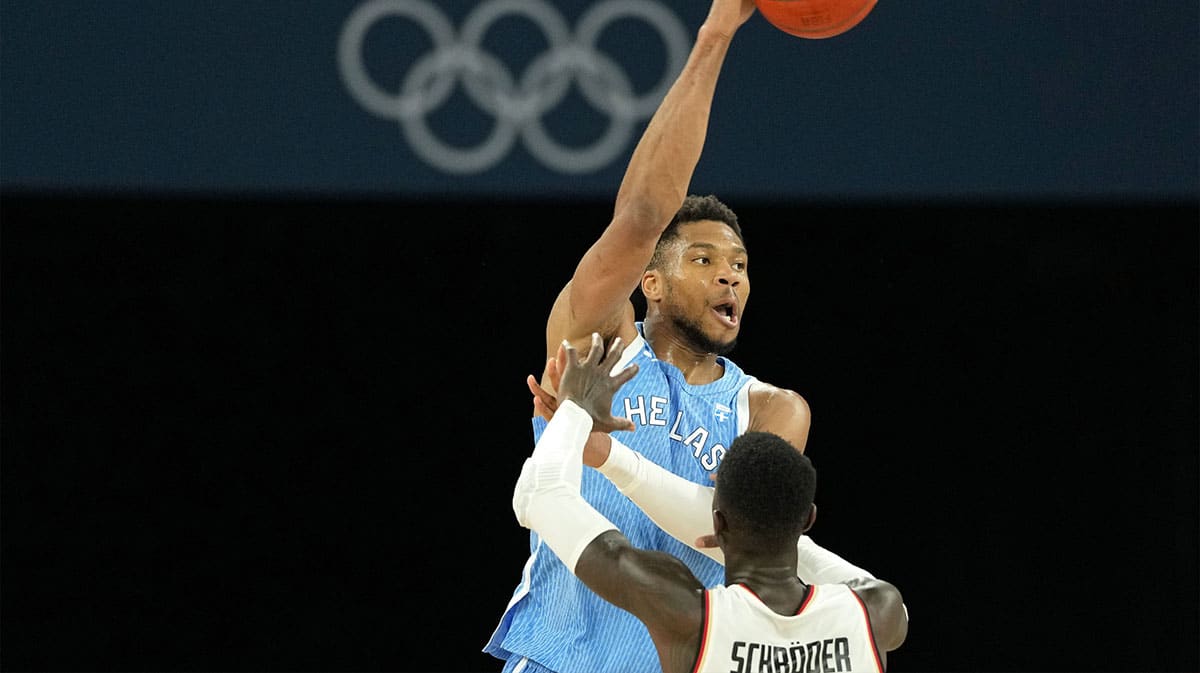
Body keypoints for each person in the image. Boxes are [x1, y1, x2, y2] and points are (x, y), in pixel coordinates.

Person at [483, 1, 813, 671]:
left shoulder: (772, 410)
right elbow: (639, 218)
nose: (729, 278)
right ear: (651, 284)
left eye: (740, 267)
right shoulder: (594, 350)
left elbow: (732, 535)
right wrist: (716, 35)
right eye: (704, 261)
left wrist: (605, 453)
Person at [512, 334, 908, 673]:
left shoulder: (694, 620)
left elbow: (540, 496)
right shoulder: (878, 612)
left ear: (718, 525)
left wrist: (576, 413)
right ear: (808, 518)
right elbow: (812, 559)